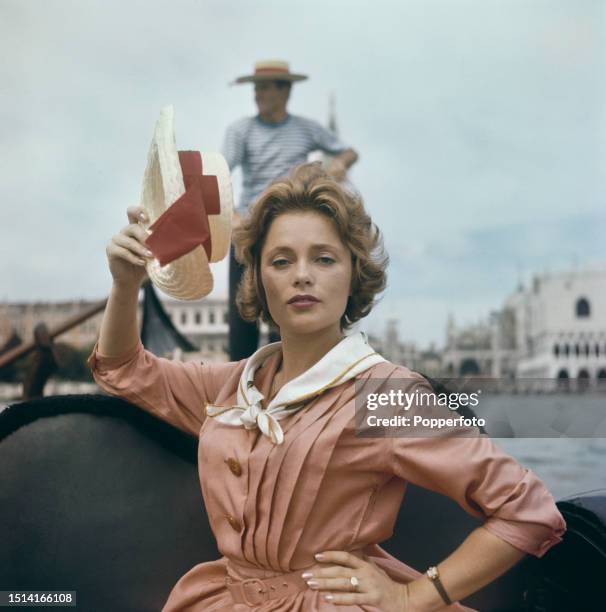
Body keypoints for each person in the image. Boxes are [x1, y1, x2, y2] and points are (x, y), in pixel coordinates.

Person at [89, 162, 565, 611]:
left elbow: (527, 510)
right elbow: (123, 368)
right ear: (258, 278)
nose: (302, 275)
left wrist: (414, 597)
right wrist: (126, 283)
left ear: (352, 274)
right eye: (280, 261)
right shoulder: (234, 384)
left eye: (323, 258)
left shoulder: (384, 396)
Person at [224, 60, 359, 360]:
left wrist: (337, 167)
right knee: (242, 315)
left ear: (285, 91)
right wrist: (231, 215)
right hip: (249, 228)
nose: (257, 95)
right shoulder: (240, 131)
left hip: (291, 227)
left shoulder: (306, 129)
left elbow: (350, 152)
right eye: (255, 89)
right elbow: (219, 175)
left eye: (263, 88)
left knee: (290, 312)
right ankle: (236, 391)